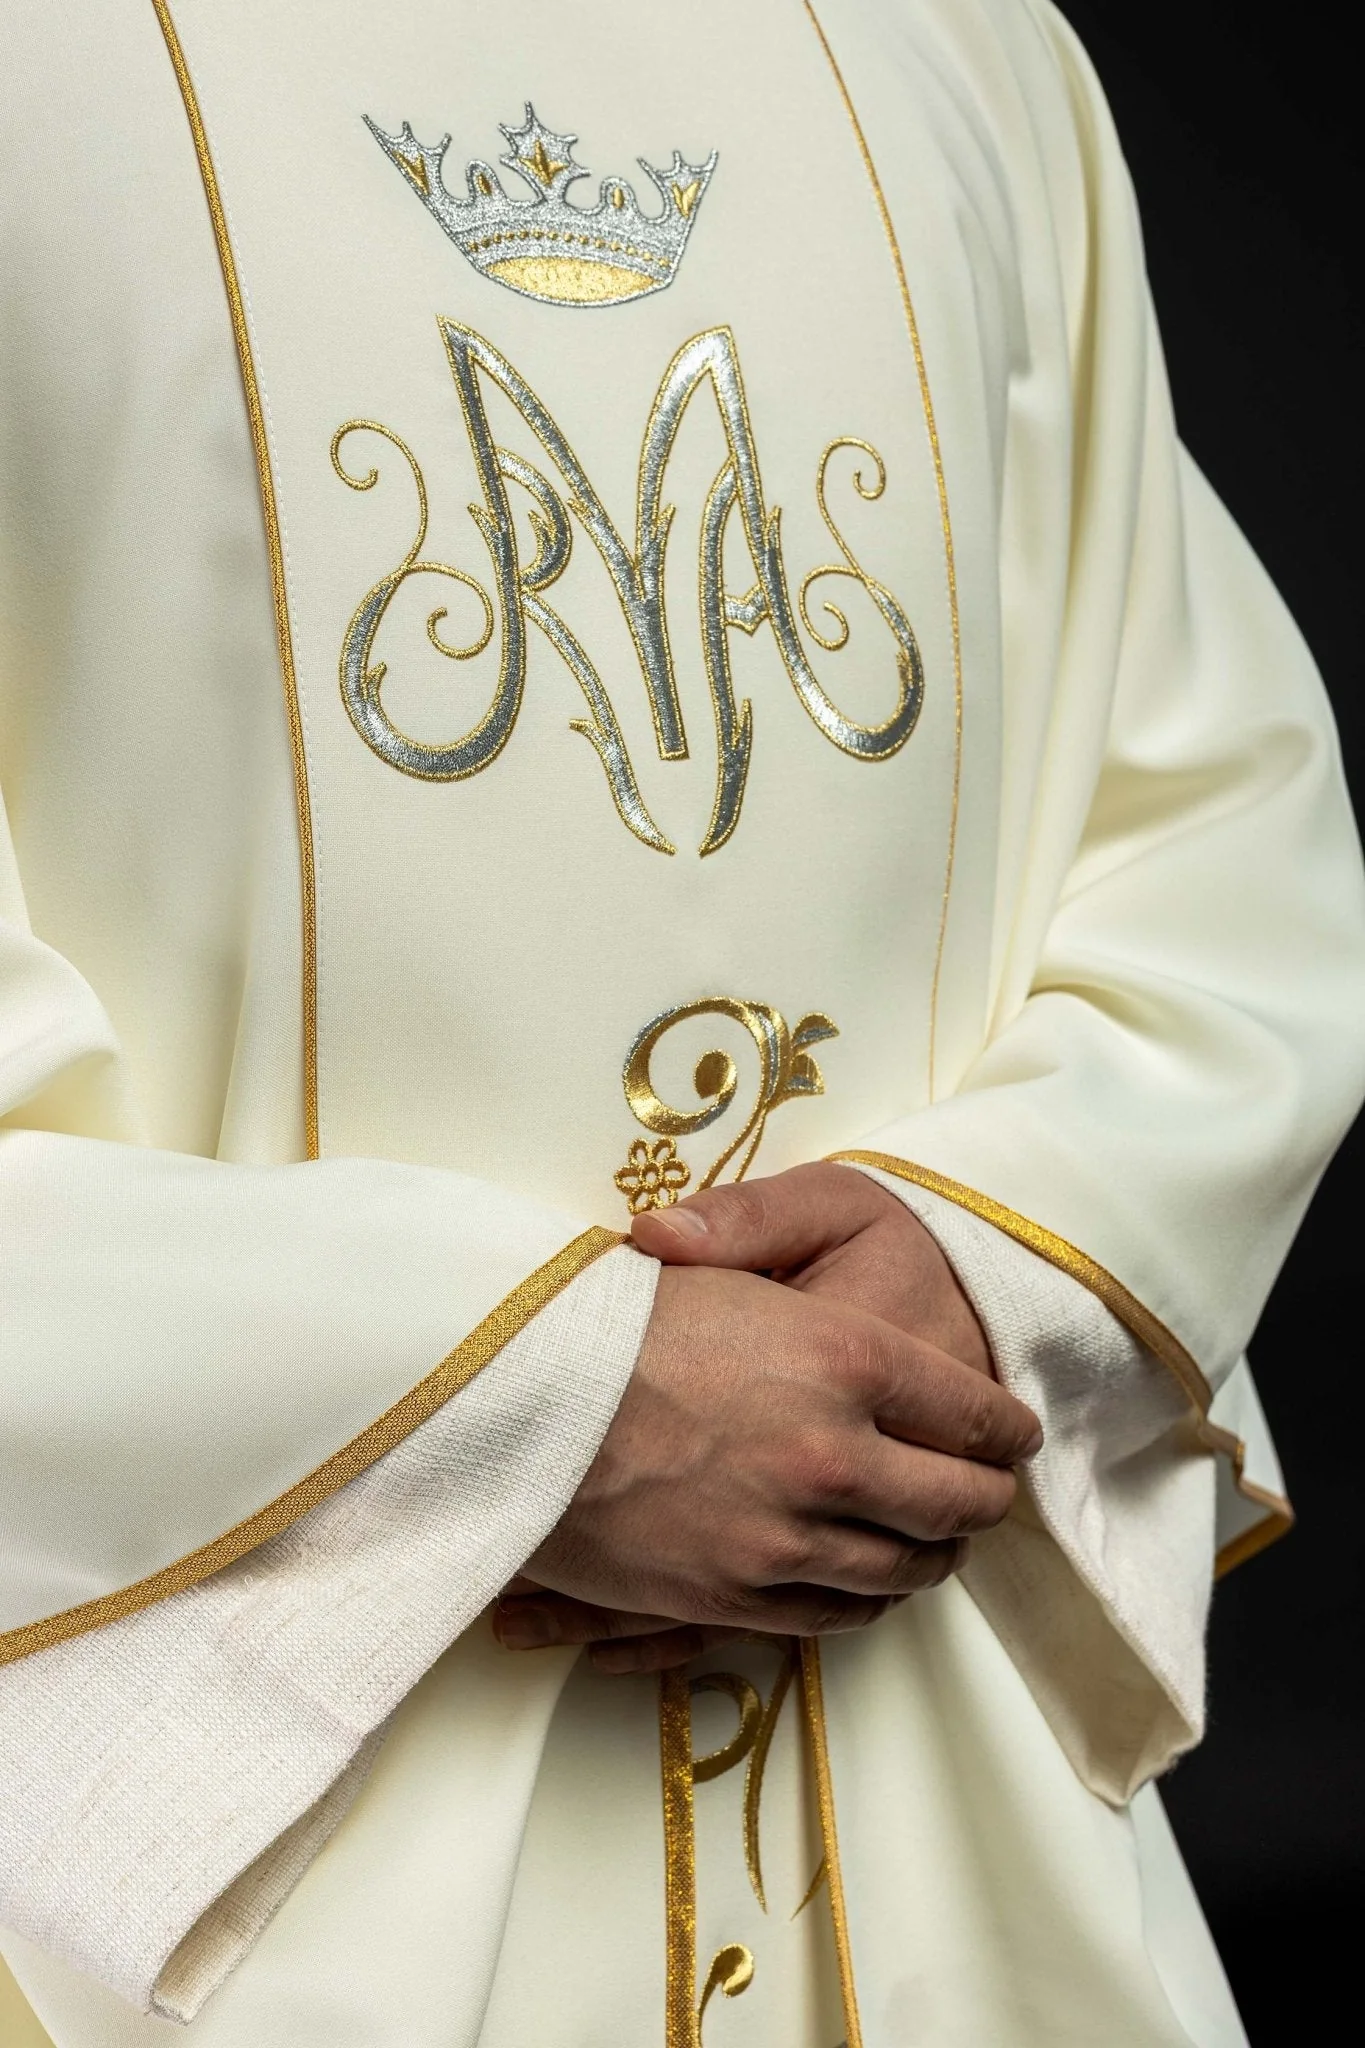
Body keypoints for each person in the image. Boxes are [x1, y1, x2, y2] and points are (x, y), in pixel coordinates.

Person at [2, 1, 1362, 2042]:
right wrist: (518, 1405)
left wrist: (988, 1268)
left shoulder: (965, 44)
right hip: (227, 1887)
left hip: (931, 1820)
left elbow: (1213, 812)